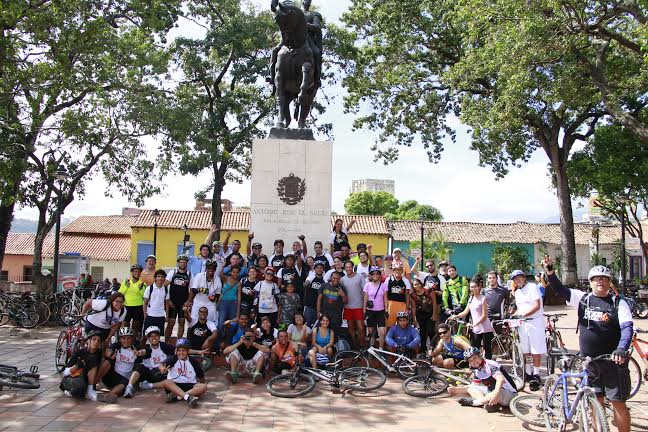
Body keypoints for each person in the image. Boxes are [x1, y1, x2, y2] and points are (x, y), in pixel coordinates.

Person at [543, 257, 632, 432]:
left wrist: (621, 348)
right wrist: (550, 272)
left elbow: (627, 328)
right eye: (597, 278)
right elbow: (560, 289)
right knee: (595, 401)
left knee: (618, 404)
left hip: (613, 362)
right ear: (591, 282)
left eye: (605, 279)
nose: (602, 281)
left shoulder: (618, 303)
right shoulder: (583, 298)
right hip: (590, 362)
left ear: (609, 283)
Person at [449, 347, 518, 412]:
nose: (474, 361)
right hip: (495, 393)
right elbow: (474, 386)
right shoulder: (477, 371)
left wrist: (495, 394)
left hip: (510, 395)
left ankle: (475, 403)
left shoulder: (490, 365)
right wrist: (456, 390)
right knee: (471, 388)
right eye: (470, 360)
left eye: (475, 358)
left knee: (492, 390)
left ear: (480, 355)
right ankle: (490, 404)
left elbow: (500, 379)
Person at [509, 269, 545, 391]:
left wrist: (523, 315)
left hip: (535, 322)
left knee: (536, 349)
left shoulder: (533, 287)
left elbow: (536, 306)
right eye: (515, 279)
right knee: (526, 349)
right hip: (523, 324)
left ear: (524, 277)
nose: (517, 280)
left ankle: (536, 373)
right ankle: (528, 372)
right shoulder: (518, 292)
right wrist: (514, 315)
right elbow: (520, 309)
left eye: (519, 278)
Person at [450, 275, 494, 359]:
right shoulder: (471, 298)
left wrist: (474, 324)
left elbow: (484, 316)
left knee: (487, 349)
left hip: (485, 328)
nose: (473, 289)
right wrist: (455, 316)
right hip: (475, 329)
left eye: (475, 287)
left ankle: (488, 367)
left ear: (479, 287)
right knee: (475, 349)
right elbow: (465, 312)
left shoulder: (483, 298)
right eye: (471, 287)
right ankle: (476, 367)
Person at [97, 327, 145, 399]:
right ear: (120, 339)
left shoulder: (136, 348)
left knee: (125, 382)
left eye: (128, 338)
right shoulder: (117, 346)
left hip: (123, 380)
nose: (126, 341)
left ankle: (109, 396)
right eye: (123, 338)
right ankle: (92, 384)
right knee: (107, 361)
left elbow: (145, 351)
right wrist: (111, 354)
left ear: (132, 339)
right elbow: (107, 351)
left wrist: (139, 353)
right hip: (110, 376)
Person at [128, 326, 175, 397]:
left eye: (156, 336)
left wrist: (197, 352)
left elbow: (178, 350)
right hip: (148, 373)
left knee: (172, 376)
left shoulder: (164, 346)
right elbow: (144, 352)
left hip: (160, 374)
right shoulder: (146, 347)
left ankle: (149, 385)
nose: (154, 338)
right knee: (139, 367)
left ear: (159, 337)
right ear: (148, 338)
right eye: (151, 336)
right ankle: (129, 387)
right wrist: (139, 353)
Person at [159, 338, 207, 407]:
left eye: (184, 350)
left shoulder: (193, 361)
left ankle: (180, 396)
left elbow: (201, 377)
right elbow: (161, 364)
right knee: (166, 382)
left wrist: (201, 389)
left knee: (204, 386)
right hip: (175, 385)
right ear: (176, 351)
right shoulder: (173, 358)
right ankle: (187, 397)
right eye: (179, 350)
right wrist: (162, 368)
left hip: (189, 386)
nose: (181, 353)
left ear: (188, 351)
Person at [60, 330, 104, 401]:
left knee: (82, 390)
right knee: (80, 389)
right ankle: (71, 392)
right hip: (71, 379)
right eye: (94, 339)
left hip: (84, 379)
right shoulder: (79, 352)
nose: (96, 342)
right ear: (88, 341)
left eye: (99, 341)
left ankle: (88, 390)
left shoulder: (99, 354)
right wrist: (77, 366)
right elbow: (65, 372)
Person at [165, 254, 191, 340]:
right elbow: (165, 285)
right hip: (173, 302)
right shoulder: (173, 272)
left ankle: (178, 343)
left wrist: (188, 301)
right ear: (178, 263)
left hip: (183, 303)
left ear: (187, 263)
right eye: (181, 262)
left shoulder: (189, 274)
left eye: (184, 262)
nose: (183, 264)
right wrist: (167, 299)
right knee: (170, 323)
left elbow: (192, 289)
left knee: (182, 323)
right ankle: (166, 341)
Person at [186, 260, 221, 324]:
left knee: (212, 320)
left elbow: (218, 294)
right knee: (193, 321)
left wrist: (214, 298)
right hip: (198, 301)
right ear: (206, 268)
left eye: (213, 269)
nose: (211, 270)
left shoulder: (217, 279)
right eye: (209, 268)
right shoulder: (199, 276)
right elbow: (193, 290)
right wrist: (201, 290)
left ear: (215, 269)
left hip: (210, 303)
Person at [410, 277, 438, 353]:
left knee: (431, 331)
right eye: (415, 285)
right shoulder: (413, 295)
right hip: (420, 315)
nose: (417, 286)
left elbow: (434, 302)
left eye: (418, 284)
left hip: (430, 313)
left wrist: (434, 314)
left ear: (421, 284)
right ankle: (423, 350)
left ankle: (433, 348)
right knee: (422, 332)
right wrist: (414, 319)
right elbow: (413, 307)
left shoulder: (428, 290)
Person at [142, 269, 170, 344]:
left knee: (158, 337)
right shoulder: (149, 288)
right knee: (145, 336)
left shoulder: (166, 289)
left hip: (160, 316)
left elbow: (166, 304)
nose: (160, 278)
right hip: (150, 315)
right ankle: (142, 351)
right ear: (155, 278)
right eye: (158, 276)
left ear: (164, 278)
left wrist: (167, 316)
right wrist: (145, 314)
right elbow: (145, 302)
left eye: (162, 277)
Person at [341, 261, 366, 349]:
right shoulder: (342, 279)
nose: (348, 269)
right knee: (350, 328)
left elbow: (365, 291)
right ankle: (355, 345)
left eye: (350, 267)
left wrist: (365, 305)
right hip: (347, 307)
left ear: (353, 267)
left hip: (358, 306)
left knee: (361, 328)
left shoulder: (360, 277)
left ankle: (362, 345)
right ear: (344, 268)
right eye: (346, 267)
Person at [363, 266, 388, 349]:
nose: (375, 275)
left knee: (382, 332)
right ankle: (371, 349)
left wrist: (386, 310)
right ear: (370, 275)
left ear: (380, 275)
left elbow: (385, 298)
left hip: (380, 311)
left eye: (377, 273)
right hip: (370, 311)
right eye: (373, 274)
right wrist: (364, 312)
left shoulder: (384, 285)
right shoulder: (367, 285)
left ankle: (380, 349)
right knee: (371, 332)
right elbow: (365, 299)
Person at [317, 272, 347, 337]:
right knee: (324, 330)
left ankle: (334, 345)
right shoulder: (324, 286)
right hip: (325, 313)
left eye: (338, 278)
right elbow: (319, 299)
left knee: (335, 332)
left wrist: (343, 295)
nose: (336, 280)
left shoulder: (342, 288)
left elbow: (345, 302)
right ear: (330, 278)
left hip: (336, 314)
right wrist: (318, 311)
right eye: (334, 278)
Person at [119, 264, 147, 336]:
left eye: (139, 272)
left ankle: (134, 342)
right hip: (126, 306)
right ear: (132, 272)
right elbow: (120, 293)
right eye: (135, 271)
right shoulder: (126, 282)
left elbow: (144, 297)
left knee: (136, 326)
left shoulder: (142, 283)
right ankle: (122, 339)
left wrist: (141, 289)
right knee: (125, 325)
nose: (137, 273)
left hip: (138, 306)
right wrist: (125, 286)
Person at [385, 263, 411, 328]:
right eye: (396, 270)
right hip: (390, 304)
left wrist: (407, 307)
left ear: (402, 271)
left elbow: (407, 295)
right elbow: (385, 294)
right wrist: (385, 307)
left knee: (402, 325)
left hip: (401, 304)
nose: (397, 271)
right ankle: (389, 338)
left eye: (399, 270)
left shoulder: (405, 281)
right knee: (389, 325)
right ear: (393, 271)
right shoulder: (388, 279)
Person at [218, 266, 241, 330]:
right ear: (231, 272)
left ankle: (229, 338)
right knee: (221, 321)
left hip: (234, 303)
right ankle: (221, 336)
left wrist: (238, 311)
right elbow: (221, 274)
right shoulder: (226, 278)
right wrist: (223, 266)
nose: (235, 274)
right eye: (233, 272)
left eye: (237, 272)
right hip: (223, 302)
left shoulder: (239, 283)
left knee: (232, 323)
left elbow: (239, 297)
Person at [304, 262, 326, 326]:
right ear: (315, 269)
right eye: (317, 268)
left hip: (319, 308)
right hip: (309, 305)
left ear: (323, 270)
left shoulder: (325, 280)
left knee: (316, 325)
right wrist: (306, 284)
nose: (319, 269)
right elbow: (306, 283)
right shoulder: (311, 277)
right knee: (306, 324)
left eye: (321, 268)